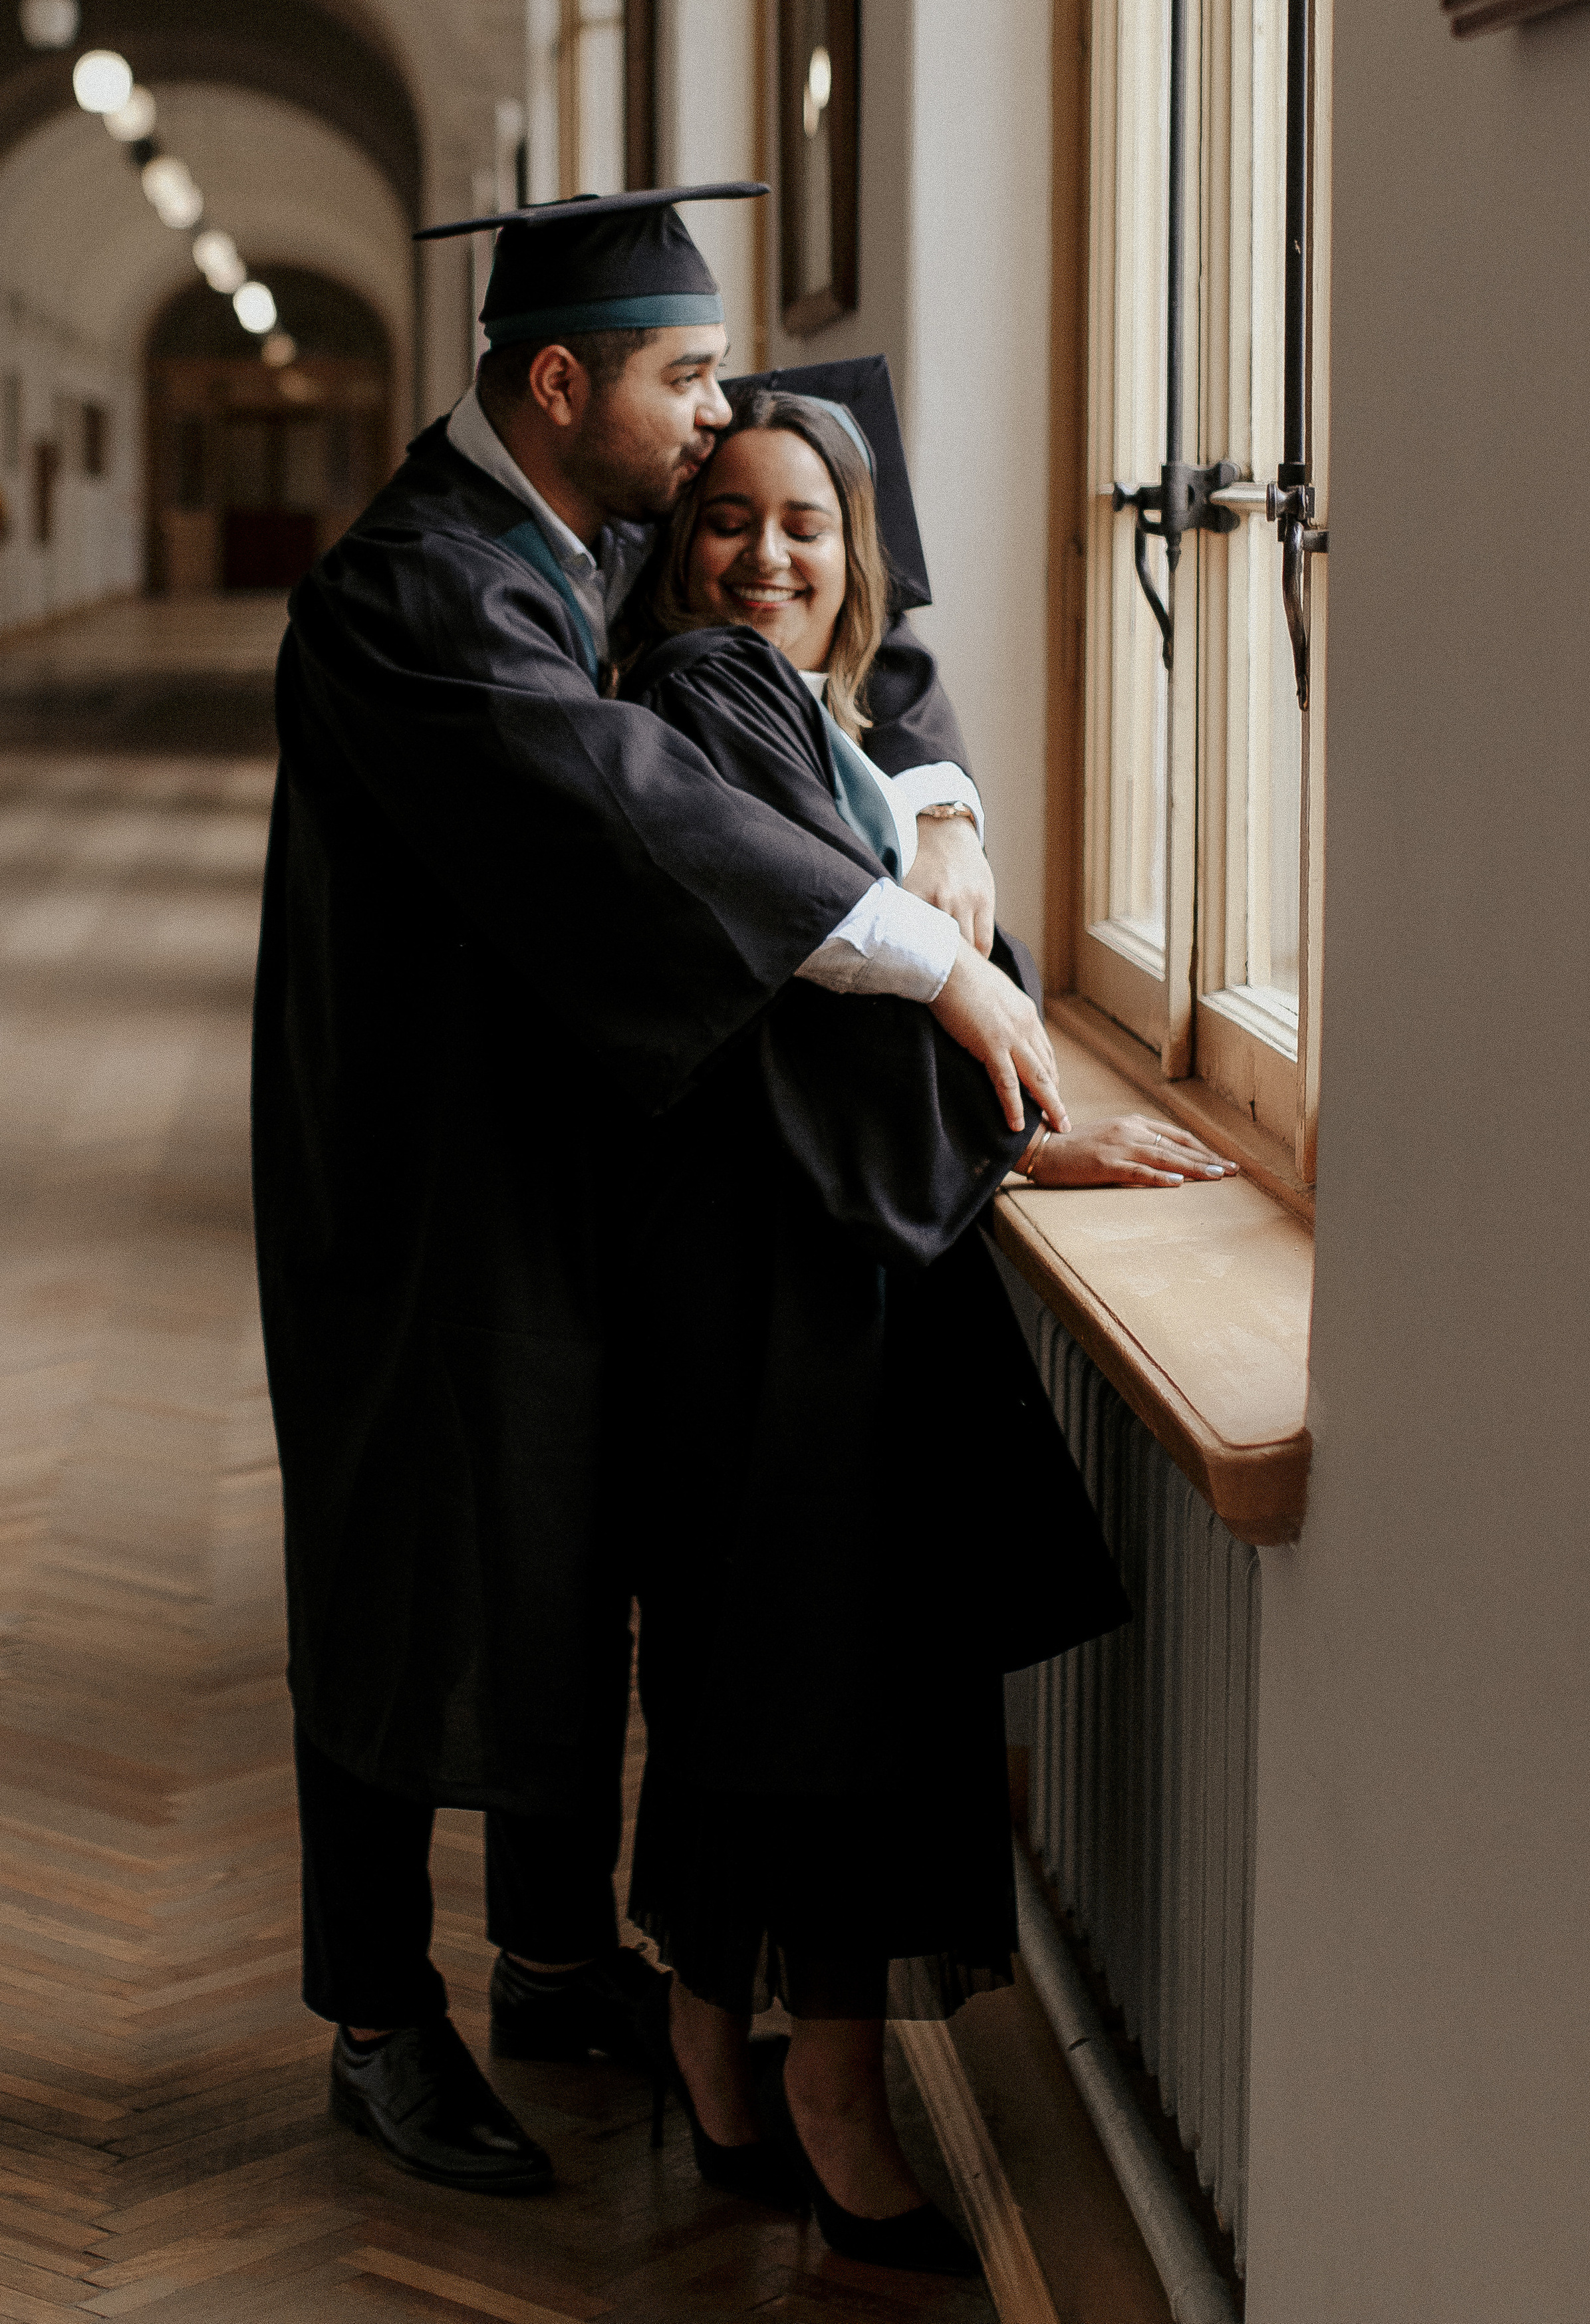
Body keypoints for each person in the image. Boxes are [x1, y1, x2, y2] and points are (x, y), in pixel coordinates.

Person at [251, 186, 1067, 2196]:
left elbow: (873, 574)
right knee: (410, 1573)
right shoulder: (419, 585)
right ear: (559, 385)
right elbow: (636, 819)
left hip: (594, 1145)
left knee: (572, 1551)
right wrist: (941, 960)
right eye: (687, 381)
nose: (721, 425)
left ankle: (547, 1959)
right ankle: (378, 2013)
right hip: (422, 1174)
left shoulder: (597, 527)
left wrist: (944, 806)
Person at [608, 386, 1230, 2274]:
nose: (767, 552)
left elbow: (916, 960)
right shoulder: (703, 705)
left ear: (861, 552)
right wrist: (1009, 1092)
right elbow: (839, 1007)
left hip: (795, 1278)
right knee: (839, 1708)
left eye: (809, 521)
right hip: (794, 1301)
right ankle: (832, 2102)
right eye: (727, 515)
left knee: (744, 1689)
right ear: (673, 540)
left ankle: (720, 2056)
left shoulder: (836, 717)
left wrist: (1015, 1102)